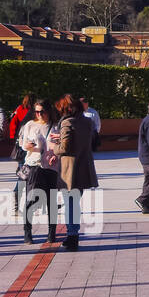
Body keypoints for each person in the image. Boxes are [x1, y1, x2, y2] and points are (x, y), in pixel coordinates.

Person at [53, 95, 96, 251]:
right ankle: (73, 234)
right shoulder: (87, 121)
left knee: (70, 203)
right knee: (75, 203)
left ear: (68, 109)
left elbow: (64, 148)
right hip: (84, 166)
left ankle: (72, 236)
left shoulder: (67, 122)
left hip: (70, 169)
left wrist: (53, 147)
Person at [17, 98, 57, 244]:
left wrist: (55, 155)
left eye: (42, 112)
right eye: (37, 112)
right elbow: (22, 144)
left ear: (48, 111)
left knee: (51, 202)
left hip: (51, 168)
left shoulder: (55, 126)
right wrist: (26, 145)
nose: (39, 115)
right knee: (30, 200)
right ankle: (27, 233)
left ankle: (51, 234)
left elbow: (60, 145)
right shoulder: (30, 125)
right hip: (33, 166)